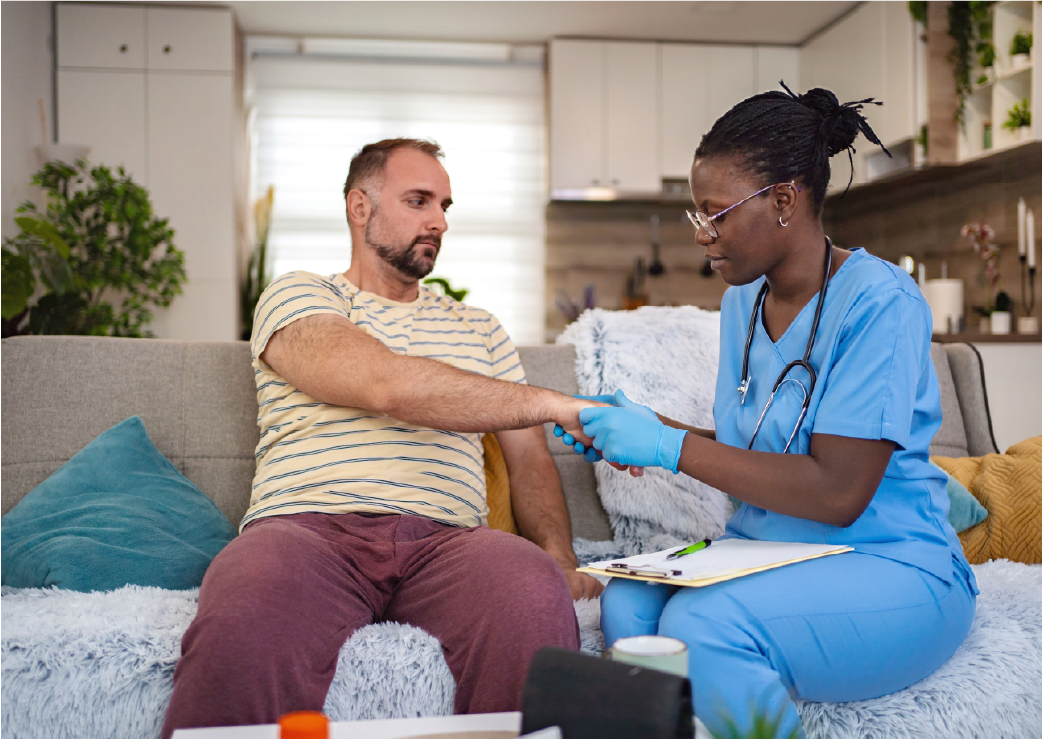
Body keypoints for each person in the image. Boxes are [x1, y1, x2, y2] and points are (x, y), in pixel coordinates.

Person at [559, 86, 979, 739]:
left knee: (704, 625)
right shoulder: (741, 304)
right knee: (629, 602)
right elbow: (757, 448)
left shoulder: (880, 303)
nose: (702, 235)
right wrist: (643, 430)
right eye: (695, 215)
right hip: (765, 551)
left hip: (890, 561)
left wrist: (670, 447)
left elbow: (838, 490)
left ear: (783, 201)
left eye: (715, 213)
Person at [161, 138, 603, 736]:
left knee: (531, 588)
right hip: (308, 531)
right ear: (359, 207)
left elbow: (528, 458)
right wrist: (557, 404)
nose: (439, 221)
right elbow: (382, 383)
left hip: (449, 543)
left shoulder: (479, 328)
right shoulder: (299, 296)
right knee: (246, 607)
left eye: (445, 205)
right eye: (418, 200)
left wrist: (559, 559)